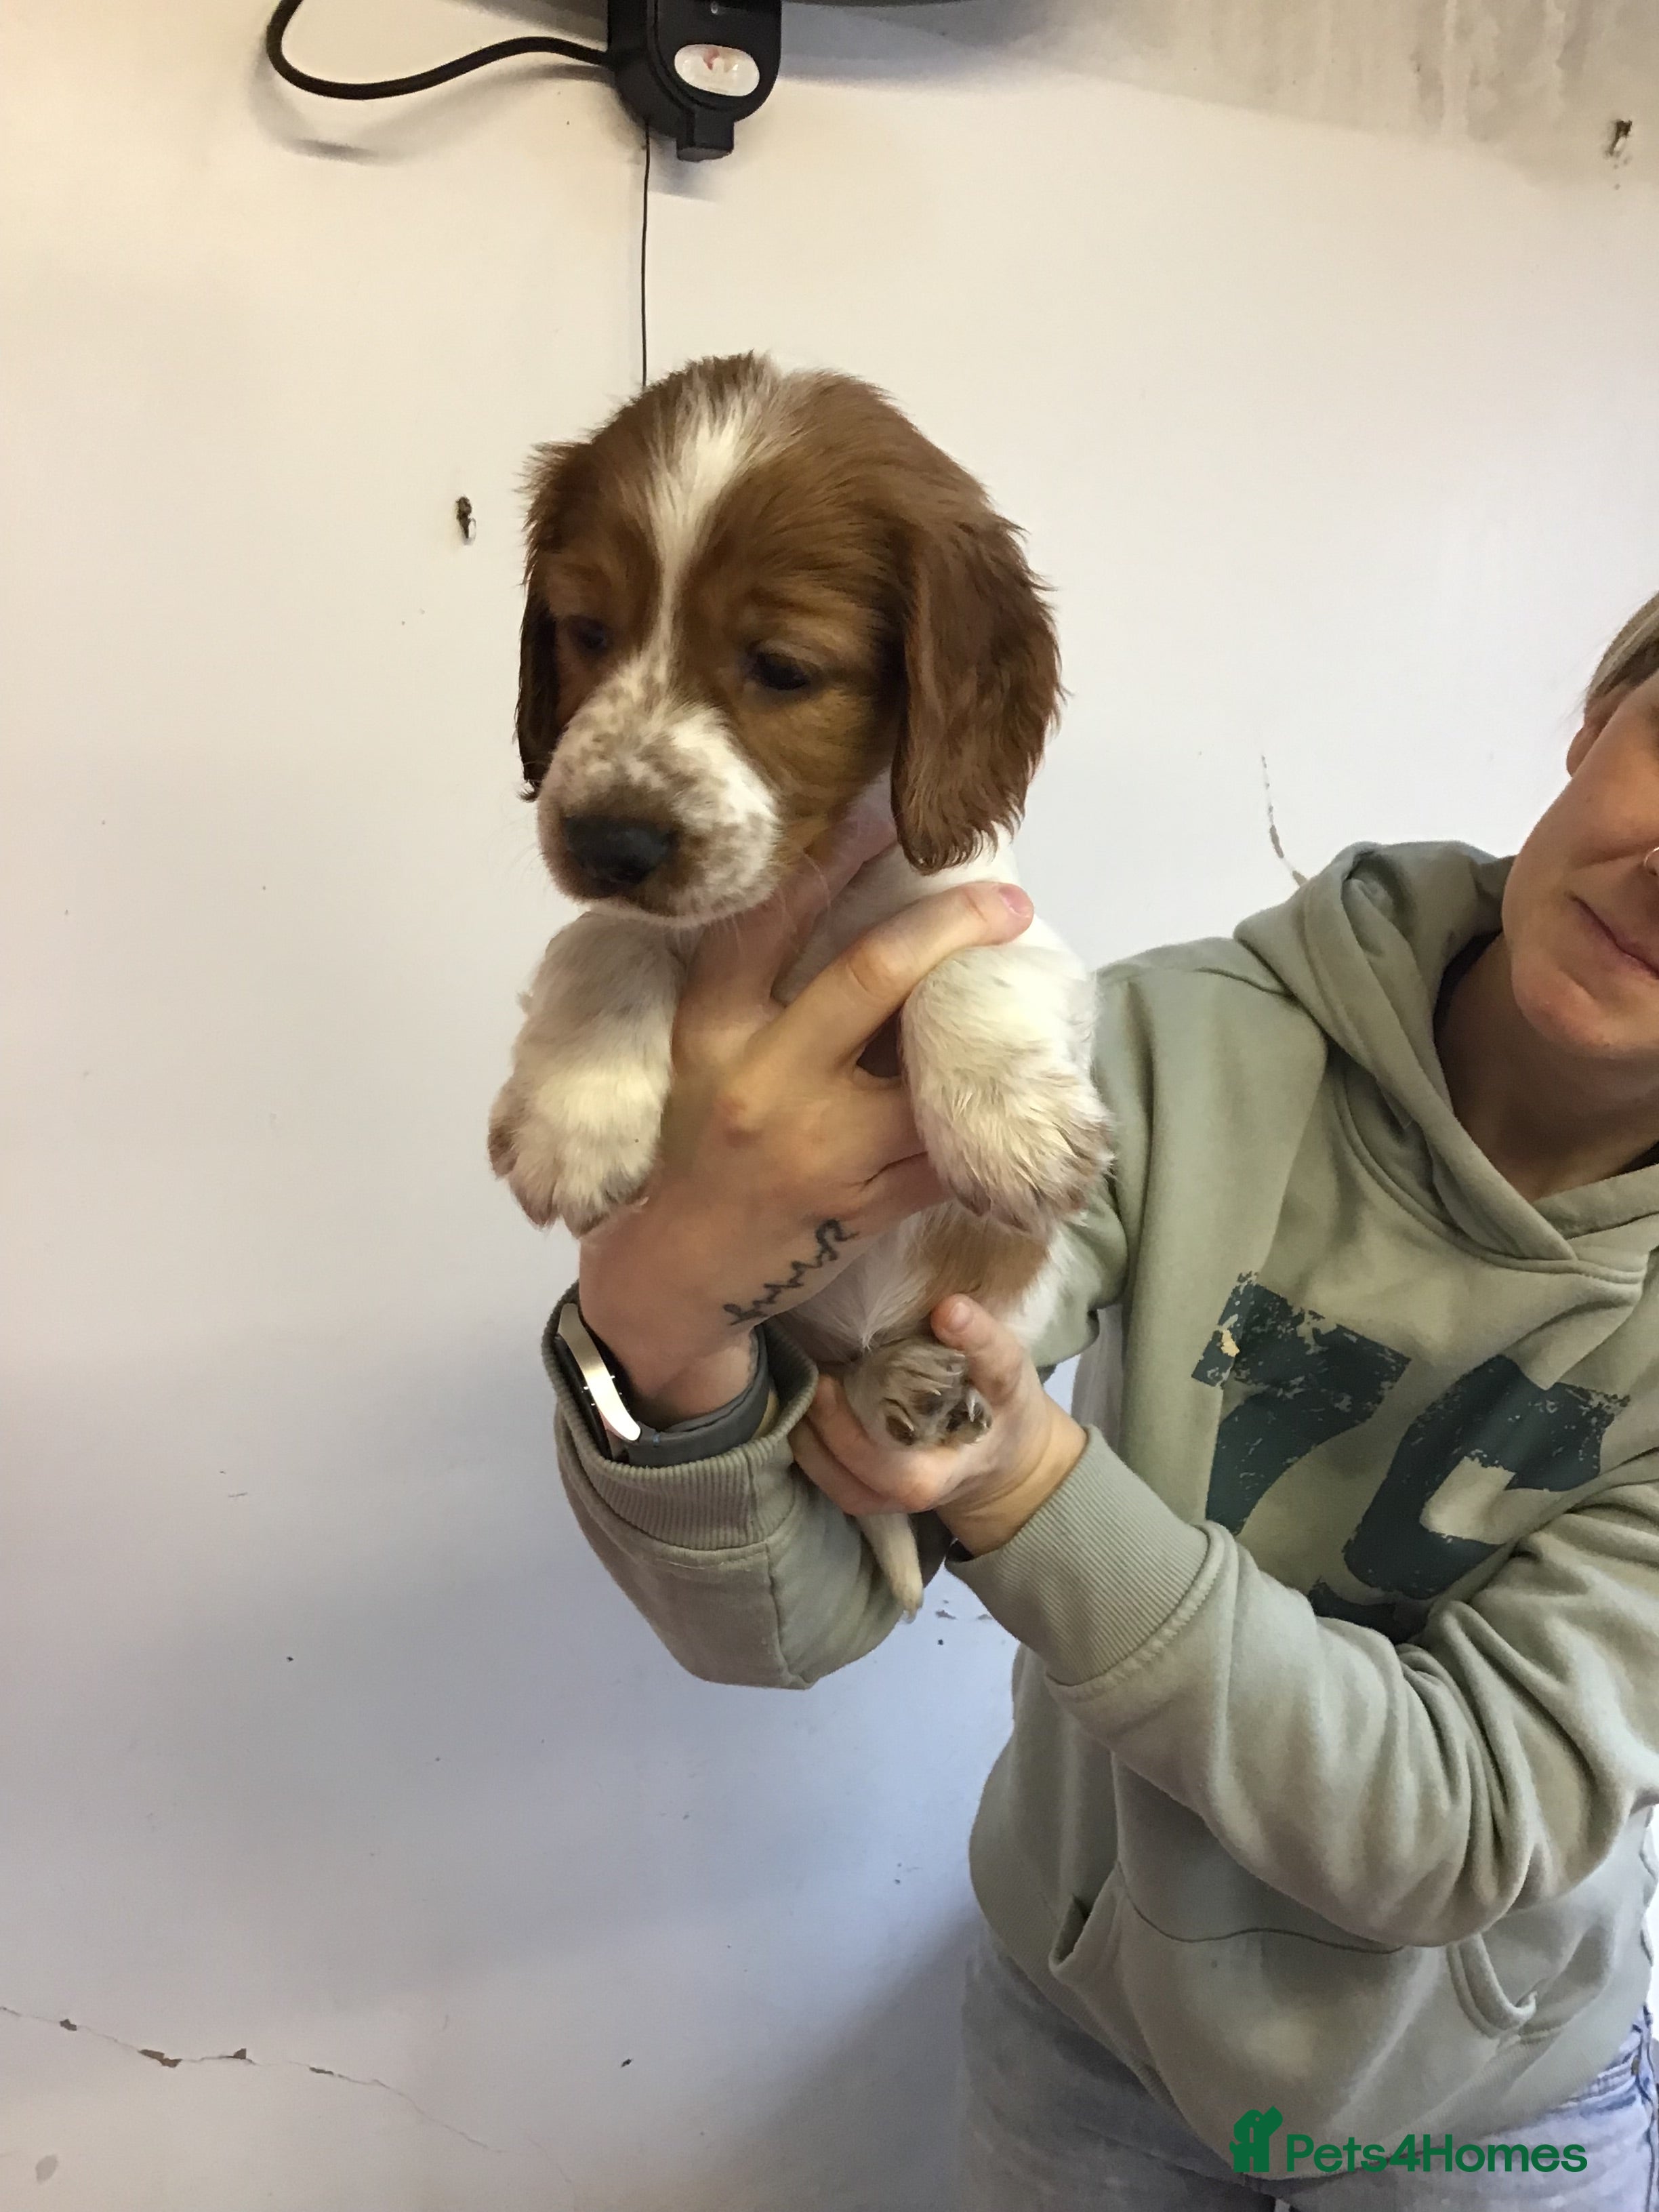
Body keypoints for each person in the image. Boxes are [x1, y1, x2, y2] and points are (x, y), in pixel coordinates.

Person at [544, 592, 1659, 2208]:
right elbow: (786, 1612)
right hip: (1090, 2048)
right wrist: (663, 1317)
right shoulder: (1166, 1048)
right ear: (1602, 713)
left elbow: (1463, 1821)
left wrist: (1026, 1489)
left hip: (1495, 2111)